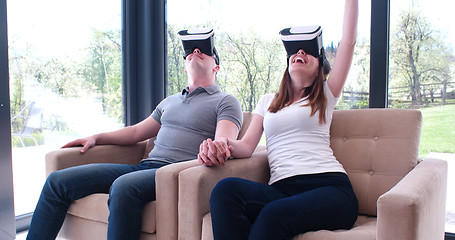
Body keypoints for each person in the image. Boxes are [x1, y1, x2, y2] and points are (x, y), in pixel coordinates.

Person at [27, 28, 243, 240]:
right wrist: (95, 138)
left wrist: (219, 147)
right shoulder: (169, 102)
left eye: (203, 51)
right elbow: (136, 132)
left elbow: (223, 141)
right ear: (185, 67)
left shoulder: (225, 101)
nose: (196, 52)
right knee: (57, 181)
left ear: (217, 67)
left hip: (173, 174)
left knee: (124, 185)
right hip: (143, 167)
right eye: (190, 52)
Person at [198, 1, 359, 239]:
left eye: (308, 51)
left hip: (329, 188)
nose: (300, 53)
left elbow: (348, 42)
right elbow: (245, 146)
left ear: (320, 71)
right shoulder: (267, 102)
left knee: (273, 214)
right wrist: (221, 144)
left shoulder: (326, 94)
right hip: (282, 190)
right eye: (295, 51)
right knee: (225, 190)